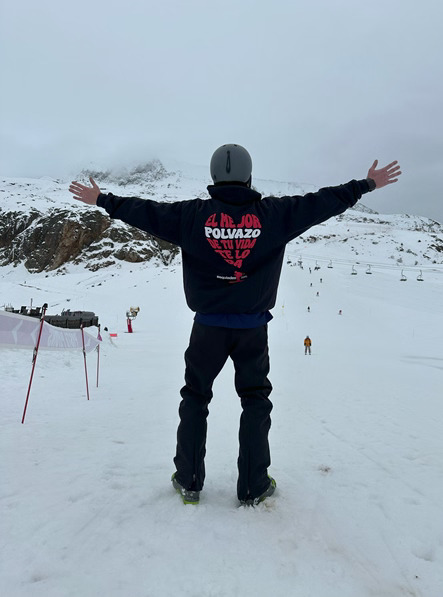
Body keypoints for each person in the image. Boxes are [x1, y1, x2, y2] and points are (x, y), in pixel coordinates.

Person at [69, 145, 401, 506]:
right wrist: (364, 185)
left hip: (207, 328)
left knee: (195, 398)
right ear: (249, 176)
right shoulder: (274, 214)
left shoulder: (191, 215)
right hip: (252, 330)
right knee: (255, 400)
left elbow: (146, 212)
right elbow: (321, 203)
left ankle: (189, 480)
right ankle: (254, 486)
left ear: (213, 177)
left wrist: (104, 199)